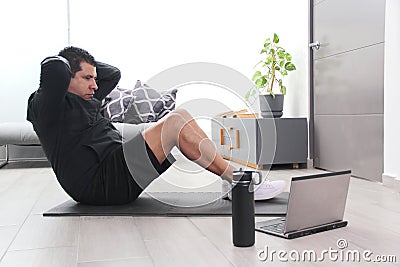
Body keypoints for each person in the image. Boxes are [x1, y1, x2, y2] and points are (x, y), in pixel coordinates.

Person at [27, 46, 284, 205]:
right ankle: (241, 182)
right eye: (87, 78)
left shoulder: (88, 96)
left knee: (180, 114)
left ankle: (232, 179)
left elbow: (113, 73)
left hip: (116, 167)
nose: (95, 85)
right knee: (173, 122)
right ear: (65, 79)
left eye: (95, 78)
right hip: (99, 184)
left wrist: (85, 65)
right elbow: (54, 68)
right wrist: (66, 57)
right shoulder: (47, 108)